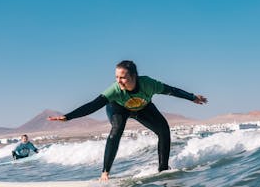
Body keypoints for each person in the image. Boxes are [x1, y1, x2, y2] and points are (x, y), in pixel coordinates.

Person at [48, 60, 207, 180]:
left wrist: (192, 97)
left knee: (164, 130)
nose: (118, 81)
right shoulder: (115, 90)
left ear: (134, 76)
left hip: (142, 108)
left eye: (122, 77)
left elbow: (171, 91)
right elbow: (93, 105)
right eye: (117, 77)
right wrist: (68, 117)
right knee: (116, 130)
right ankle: (105, 173)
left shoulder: (148, 84)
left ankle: (163, 170)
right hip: (118, 108)